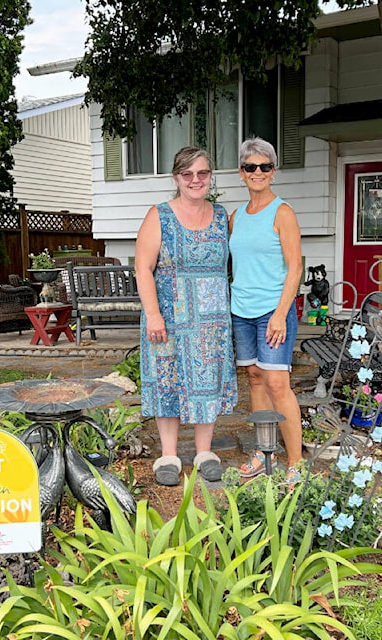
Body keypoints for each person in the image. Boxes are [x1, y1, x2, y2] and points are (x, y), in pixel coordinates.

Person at [135, 146, 237, 486]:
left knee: (207, 381)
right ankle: (169, 455)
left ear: (210, 176)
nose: (196, 180)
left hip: (211, 321)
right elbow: (143, 268)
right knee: (168, 380)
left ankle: (204, 451)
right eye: (188, 174)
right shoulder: (159, 215)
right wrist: (152, 314)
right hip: (169, 317)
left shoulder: (222, 216)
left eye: (203, 173)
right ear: (177, 178)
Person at [229, 137, 304, 481]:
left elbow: (295, 268)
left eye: (264, 166)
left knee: (277, 383)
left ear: (274, 172)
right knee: (255, 379)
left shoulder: (283, 212)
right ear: (241, 173)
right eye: (250, 167)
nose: (257, 172)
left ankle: (295, 463)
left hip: (273, 312)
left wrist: (279, 313)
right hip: (241, 311)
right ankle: (262, 451)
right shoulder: (236, 217)